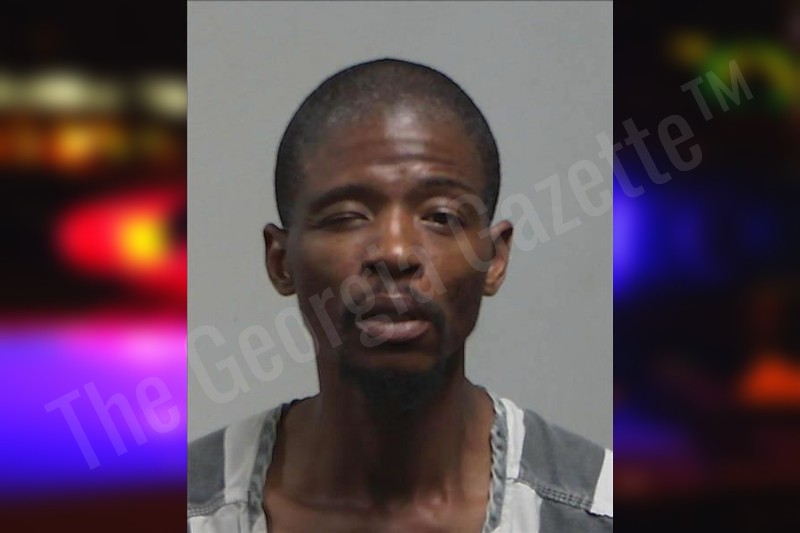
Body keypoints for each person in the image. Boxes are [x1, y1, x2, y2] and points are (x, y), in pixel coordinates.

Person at [188, 58, 612, 532]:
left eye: (441, 217)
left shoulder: (594, 511)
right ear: (281, 261)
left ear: (493, 259)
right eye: (346, 217)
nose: (395, 252)